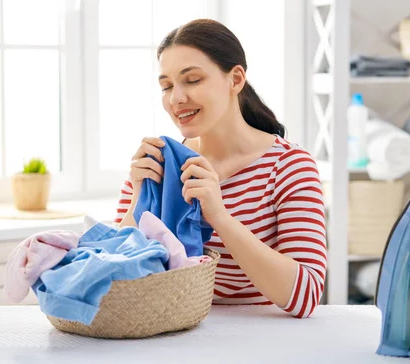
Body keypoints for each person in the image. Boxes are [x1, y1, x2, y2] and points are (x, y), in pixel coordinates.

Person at [114, 19, 327, 319]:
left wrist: (219, 216)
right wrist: (138, 198)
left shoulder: (289, 167)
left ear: (236, 79)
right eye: (166, 86)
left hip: (262, 342)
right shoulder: (158, 167)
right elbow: (112, 275)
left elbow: (306, 296)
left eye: (192, 80)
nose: (176, 98)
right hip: (172, 335)